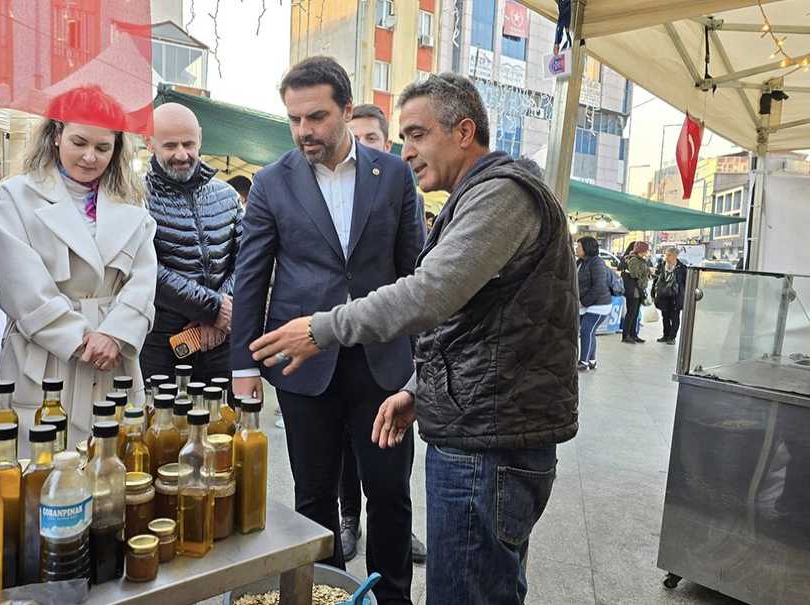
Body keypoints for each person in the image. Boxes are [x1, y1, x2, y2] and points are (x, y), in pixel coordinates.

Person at [248, 72, 579, 604]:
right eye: (403, 137)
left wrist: (321, 327)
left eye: (418, 134)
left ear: (464, 132)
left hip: (488, 442)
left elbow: (427, 294)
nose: (406, 151)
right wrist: (418, 390)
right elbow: (472, 323)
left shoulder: (501, 195)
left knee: (464, 591)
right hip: (478, 428)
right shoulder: (479, 194)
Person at [231, 57, 424, 604]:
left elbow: (415, 273)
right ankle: (331, 595)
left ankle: (390, 599)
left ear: (346, 109)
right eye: (294, 119)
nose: (303, 131)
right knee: (313, 495)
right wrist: (244, 367)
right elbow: (251, 277)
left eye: (316, 117)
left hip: (382, 362)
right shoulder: (271, 182)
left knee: (388, 491)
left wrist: (420, 361)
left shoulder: (394, 176)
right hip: (303, 365)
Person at [0, 86, 157, 438]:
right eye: (79, 142)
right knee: (37, 461)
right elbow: (21, 288)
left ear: (117, 149)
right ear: (56, 135)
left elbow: (144, 281)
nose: (89, 157)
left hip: (113, 359)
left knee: (112, 461)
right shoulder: (16, 196)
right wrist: (82, 339)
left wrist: (115, 334)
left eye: (102, 148)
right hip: (42, 360)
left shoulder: (133, 205)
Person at [339, 102, 427, 564]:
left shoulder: (400, 185)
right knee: (343, 453)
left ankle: (394, 531)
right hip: (333, 348)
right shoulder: (327, 189)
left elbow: (414, 270)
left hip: (386, 349)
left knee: (390, 457)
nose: (361, 147)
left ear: (386, 143)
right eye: (353, 138)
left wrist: (413, 355)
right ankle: (347, 518)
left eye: (370, 138)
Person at [141, 103, 242, 382]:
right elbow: (145, 268)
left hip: (223, 342)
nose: (181, 154)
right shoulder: (135, 197)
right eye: (170, 145)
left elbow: (249, 260)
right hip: (160, 346)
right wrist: (213, 308)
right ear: (148, 142)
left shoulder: (227, 195)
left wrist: (221, 314)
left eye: (188, 144)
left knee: (227, 411)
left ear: (200, 138)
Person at [576, 236, 612, 370]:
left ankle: (583, 362)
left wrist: (584, 302)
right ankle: (591, 360)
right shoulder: (580, 262)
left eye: (579, 246)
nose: (577, 249)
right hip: (586, 304)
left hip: (599, 305)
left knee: (586, 330)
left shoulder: (597, 262)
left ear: (587, 248)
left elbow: (599, 286)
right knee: (589, 331)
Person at [653, 248, 687, 345]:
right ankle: (665, 335)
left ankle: (672, 337)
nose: (666, 257)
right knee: (665, 316)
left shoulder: (682, 268)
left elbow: (685, 282)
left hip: (675, 296)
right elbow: (656, 280)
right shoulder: (661, 266)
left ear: (675, 256)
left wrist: (683, 295)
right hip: (663, 295)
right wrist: (653, 292)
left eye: (669, 255)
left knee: (675, 317)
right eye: (666, 255)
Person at [622, 241, 652, 344]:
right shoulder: (634, 259)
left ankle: (633, 334)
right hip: (634, 289)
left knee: (635, 314)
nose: (647, 252)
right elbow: (634, 274)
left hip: (638, 289)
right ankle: (626, 335)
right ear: (642, 250)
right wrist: (646, 272)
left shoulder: (640, 259)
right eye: (646, 250)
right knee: (631, 313)